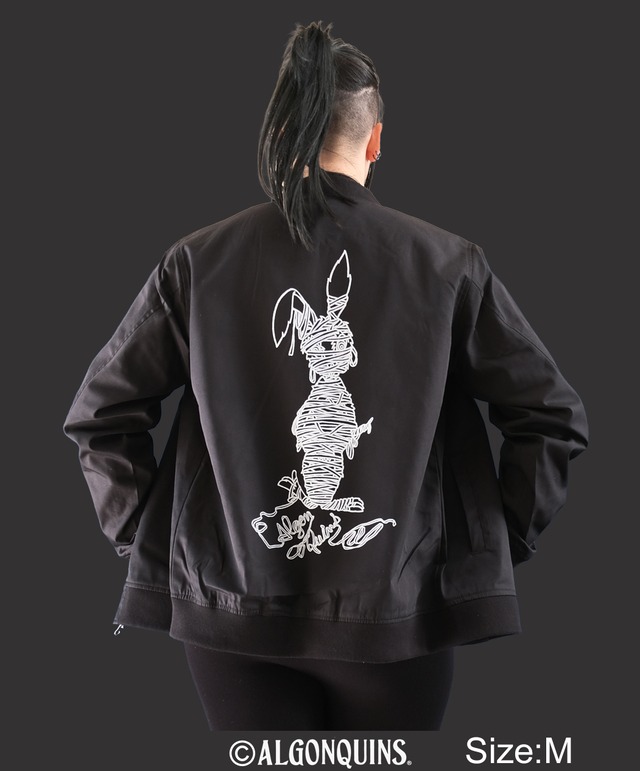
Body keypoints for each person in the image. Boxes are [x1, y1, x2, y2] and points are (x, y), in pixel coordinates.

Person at [63, 21, 588, 731]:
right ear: (375, 142)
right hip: (401, 622)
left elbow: (100, 416)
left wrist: (160, 544)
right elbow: (551, 416)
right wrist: (487, 550)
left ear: (285, 134)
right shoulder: (447, 264)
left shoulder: (197, 261)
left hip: (230, 621)